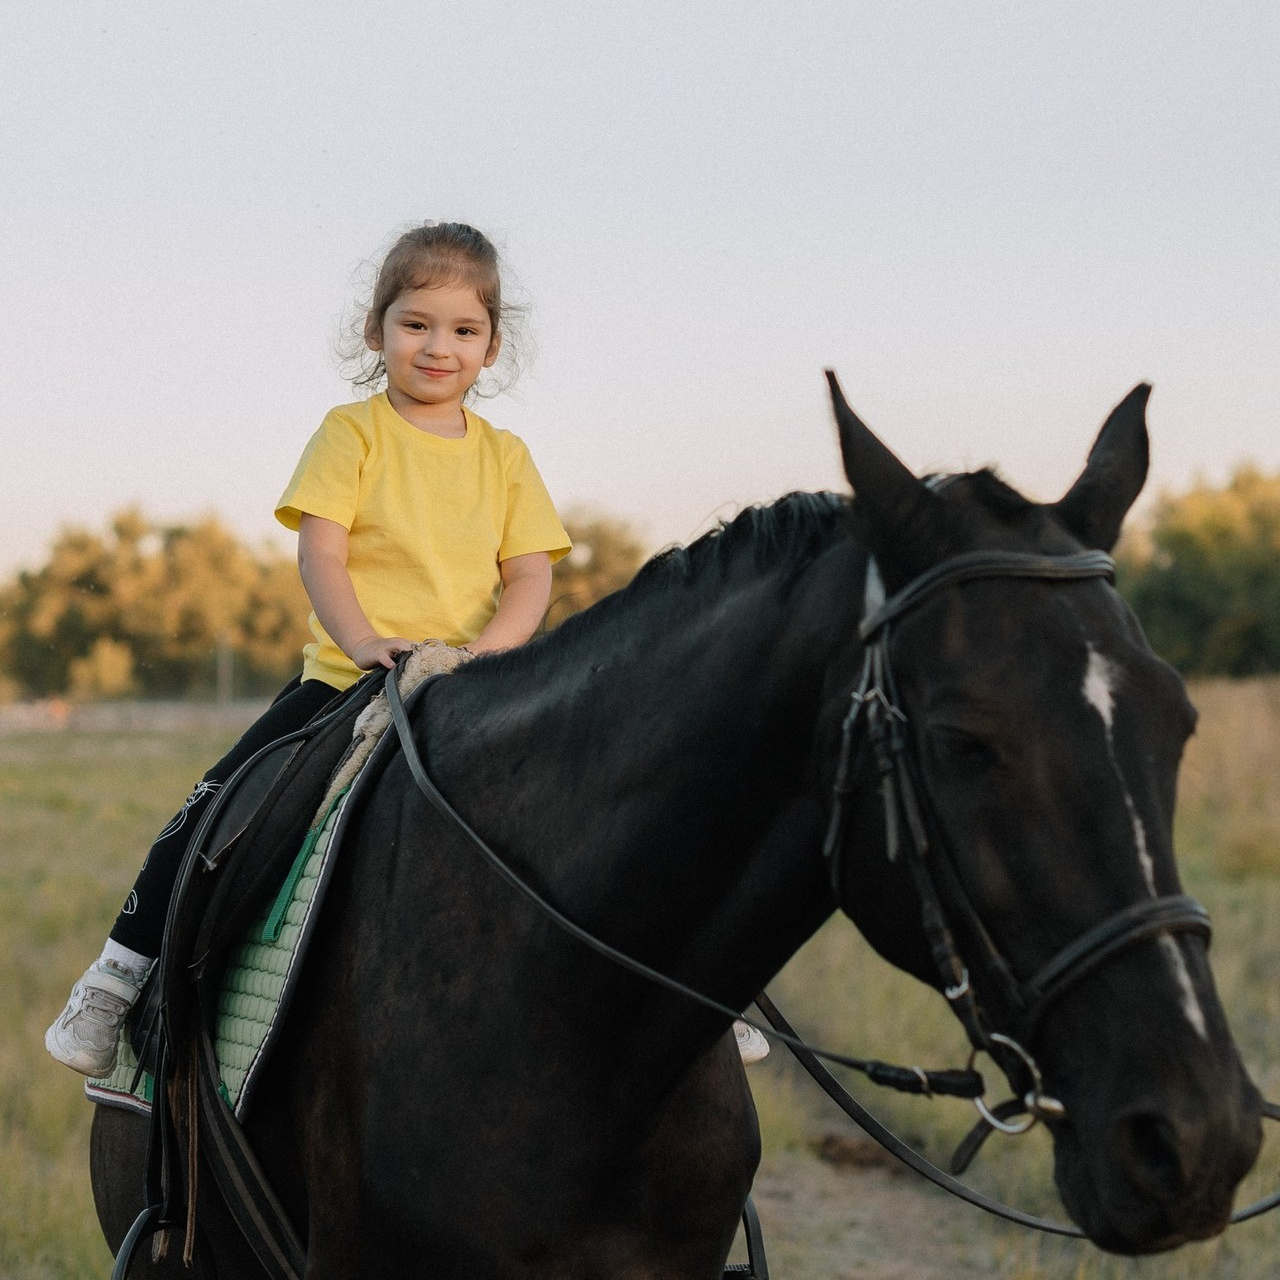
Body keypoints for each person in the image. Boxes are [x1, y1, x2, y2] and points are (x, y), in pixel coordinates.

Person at [46, 222, 571, 1076]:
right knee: (222, 799)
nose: (439, 346)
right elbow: (320, 551)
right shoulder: (353, 432)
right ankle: (116, 974)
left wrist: (487, 658)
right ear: (377, 330)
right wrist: (363, 640)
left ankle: (695, 989)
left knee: (601, 786)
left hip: (474, 683)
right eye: (416, 324)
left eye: (463, 330)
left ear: (491, 346)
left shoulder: (507, 458)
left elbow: (530, 577)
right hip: (351, 678)